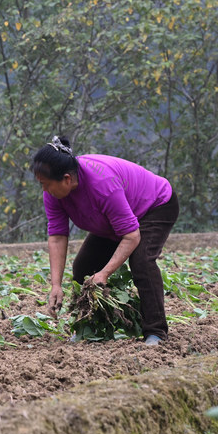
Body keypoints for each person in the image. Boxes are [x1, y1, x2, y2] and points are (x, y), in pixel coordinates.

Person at [32, 136, 179, 345]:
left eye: (46, 185)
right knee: (84, 267)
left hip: (154, 206)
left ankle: (156, 332)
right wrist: (56, 285)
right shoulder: (53, 194)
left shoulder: (102, 184)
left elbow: (131, 236)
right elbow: (57, 237)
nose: (44, 190)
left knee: (142, 261)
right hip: (112, 222)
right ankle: (89, 328)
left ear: (66, 179)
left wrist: (105, 273)